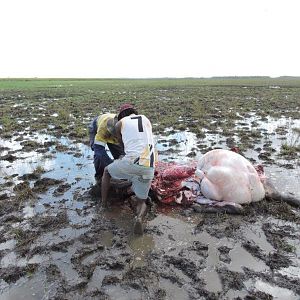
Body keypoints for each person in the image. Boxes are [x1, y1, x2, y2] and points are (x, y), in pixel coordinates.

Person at [101, 103, 156, 234]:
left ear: (121, 116)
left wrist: (120, 160)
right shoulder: (146, 119)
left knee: (107, 171)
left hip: (132, 161)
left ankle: (103, 204)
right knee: (141, 201)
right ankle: (138, 218)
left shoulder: (119, 124)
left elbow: (123, 147)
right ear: (134, 112)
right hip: (149, 166)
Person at [88, 113, 124, 184]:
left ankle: (120, 174)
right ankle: (99, 176)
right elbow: (99, 150)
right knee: (98, 155)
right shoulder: (103, 128)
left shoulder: (125, 127)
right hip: (96, 127)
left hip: (112, 133)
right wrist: (110, 165)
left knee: (120, 154)